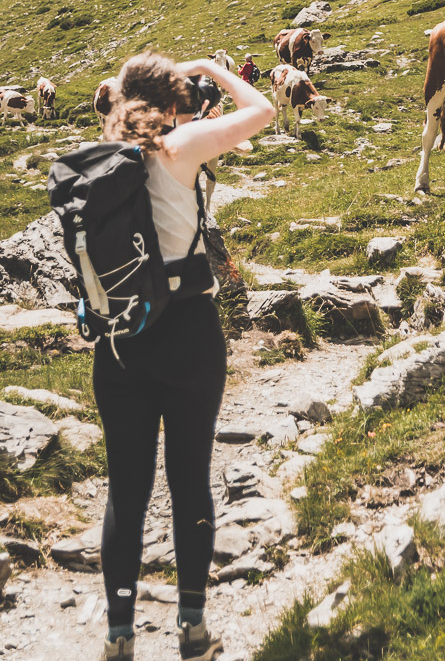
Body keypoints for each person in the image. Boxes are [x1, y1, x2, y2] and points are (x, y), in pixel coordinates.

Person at [94, 51, 273, 661]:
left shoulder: (101, 156)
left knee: (127, 487)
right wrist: (212, 68)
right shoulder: (183, 145)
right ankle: (192, 625)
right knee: (189, 476)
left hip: (119, 339)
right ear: (172, 101)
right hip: (189, 326)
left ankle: (119, 634)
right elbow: (266, 108)